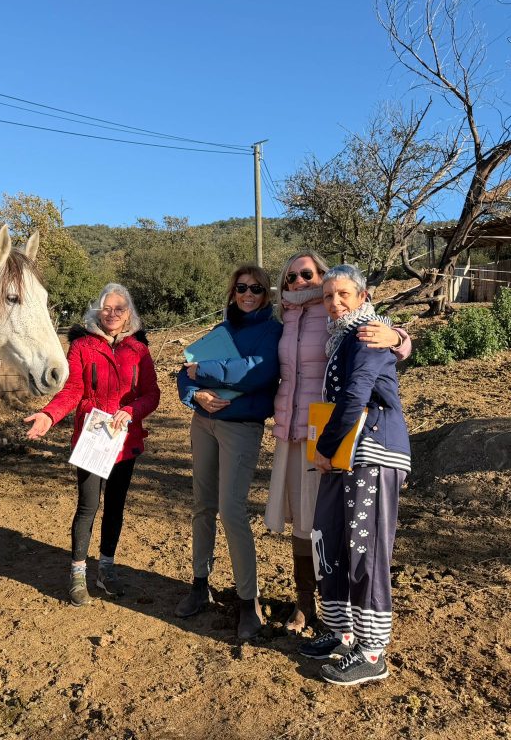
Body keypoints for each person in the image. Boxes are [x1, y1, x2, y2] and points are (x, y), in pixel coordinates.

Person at [265, 251, 411, 634]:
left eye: (307, 274)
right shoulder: (288, 320)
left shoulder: (361, 329)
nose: (299, 282)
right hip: (303, 433)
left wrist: (398, 337)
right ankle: (332, 623)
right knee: (322, 529)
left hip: (350, 440)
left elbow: (363, 378)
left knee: (360, 541)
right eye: (291, 277)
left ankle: (368, 643)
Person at [298, 264, 411, 685]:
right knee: (330, 536)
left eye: (343, 294)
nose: (335, 303)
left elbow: (356, 393)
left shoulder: (369, 334)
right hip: (346, 452)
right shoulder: (343, 338)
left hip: (372, 452)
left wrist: (325, 447)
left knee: (365, 546)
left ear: (363, 297)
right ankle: (343, 632)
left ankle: (372, 651)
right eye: (328, 296)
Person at [24, 283, 160, 607]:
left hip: (124, 440)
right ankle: (77, 572)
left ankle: (106, 568)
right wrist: (49, 414)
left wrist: (131, 411)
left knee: (115, 507)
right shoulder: (82, 346)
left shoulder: (139, 350)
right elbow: (72, 390)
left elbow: (152, 393)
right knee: (87, 507)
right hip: (93, 438)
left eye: (119, 309)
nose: (112, 314)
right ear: (98, 311)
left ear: (128, 314)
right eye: (106, 308)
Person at [175, 265, 282, 640]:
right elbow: (184, 372)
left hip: (241, 428)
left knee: (232, 511)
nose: (248, 294)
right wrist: (196, 395)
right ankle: (199, 583)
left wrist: (201, 372)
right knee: (202, 505)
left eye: (256, 288)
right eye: (241, 288)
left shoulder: (273, 331)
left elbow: (255, 372)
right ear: (233, 292)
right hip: (203, 423)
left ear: (266, 294)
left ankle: (248, 600)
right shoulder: (222, 329)